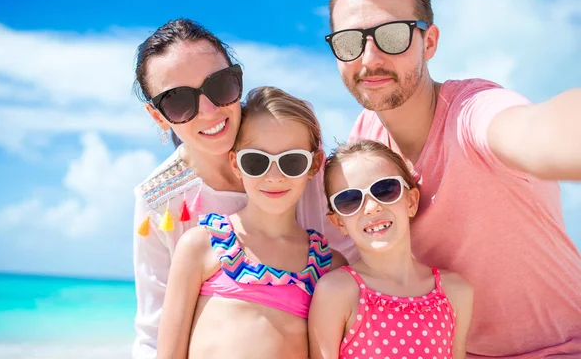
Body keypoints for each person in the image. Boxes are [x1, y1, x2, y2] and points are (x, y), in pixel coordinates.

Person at [325, 0, 581, 357]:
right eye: (349, 41)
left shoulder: (473, 112)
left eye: (392, 35)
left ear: (429, 42)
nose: (369, 58)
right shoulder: (366, 141)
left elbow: (539, 131)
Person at [132, 19, 356, 358]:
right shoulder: (159, 200)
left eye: (219, 86)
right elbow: (155, 331)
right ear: (159, 116)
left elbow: (353, 265)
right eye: (178, 102)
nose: (208, 111)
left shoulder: (302, 163)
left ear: (236, 80)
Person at [156, 86, 347, 359]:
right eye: (256, 161)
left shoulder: (329, 266)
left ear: (314, 166)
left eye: (291, 161)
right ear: (236, 164)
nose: (274, 176)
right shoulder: (201, 245)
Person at [309, 139, 473, 359]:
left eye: (385, 190)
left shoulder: (456, 292)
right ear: (339, 223)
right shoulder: (337, 292)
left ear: (411, 201)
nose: (371, 207)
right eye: (349, 200)